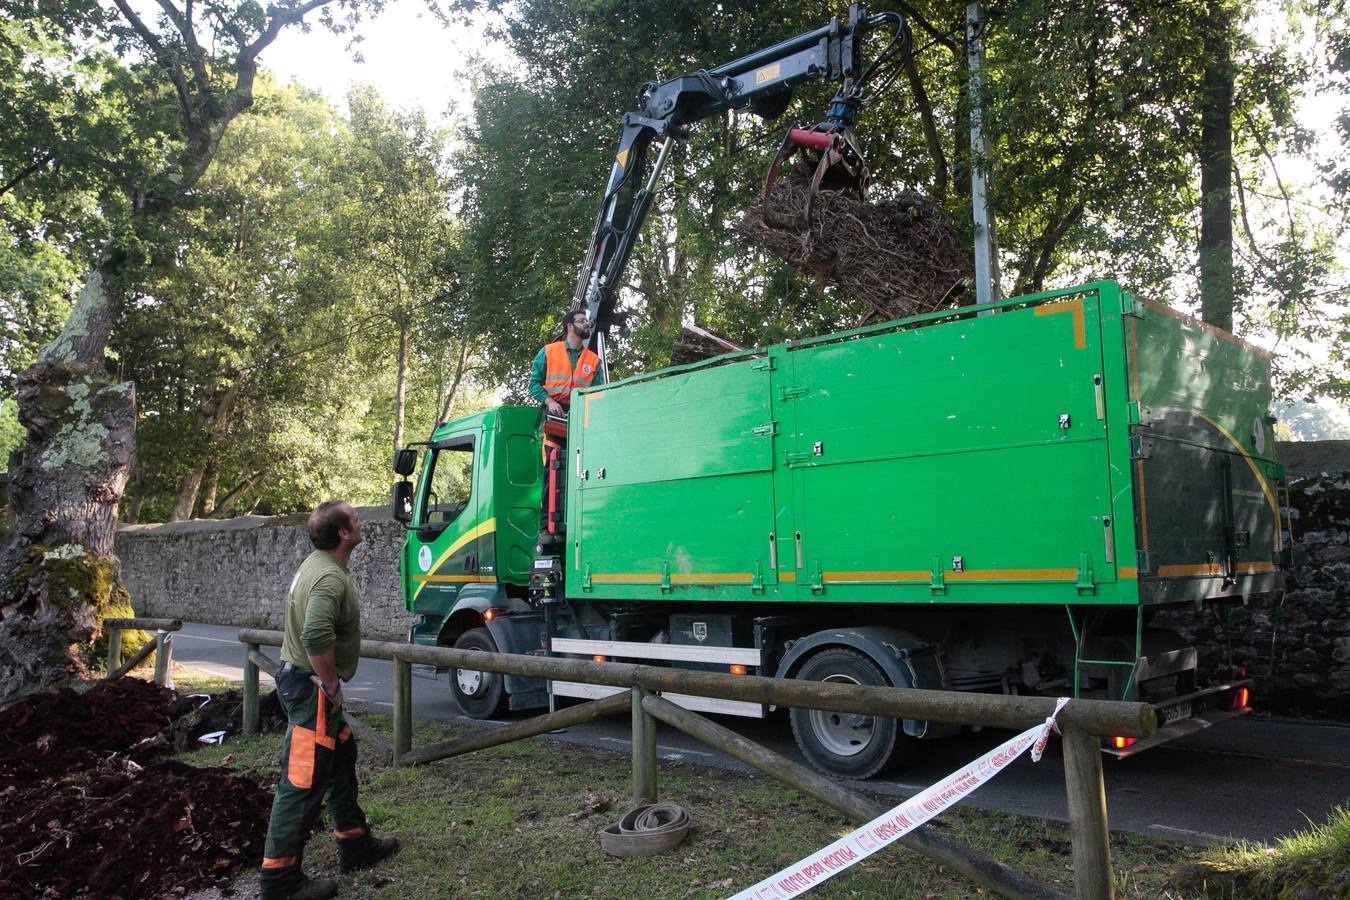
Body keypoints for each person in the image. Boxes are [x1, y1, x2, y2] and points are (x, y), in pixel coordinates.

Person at [260, 501, 398, 900]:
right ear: (342, 534)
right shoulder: (328, 579)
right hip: (311, 689)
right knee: (302, 781)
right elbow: (316, 635)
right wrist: (331, 685)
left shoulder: (317, 565)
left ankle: (355, 845)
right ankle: (280, 881)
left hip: (306, 684)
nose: (360, 523)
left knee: (340, 758)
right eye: (354, 520)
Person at [528, 308, 604, 414]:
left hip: (582, 414)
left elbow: (598, 391)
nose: (587, 324)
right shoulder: (548, 351)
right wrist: (549, 402)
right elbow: (534, 384)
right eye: (582, 321)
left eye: (586, 321)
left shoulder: (594, 360)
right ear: (570, 326)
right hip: (554, 412)